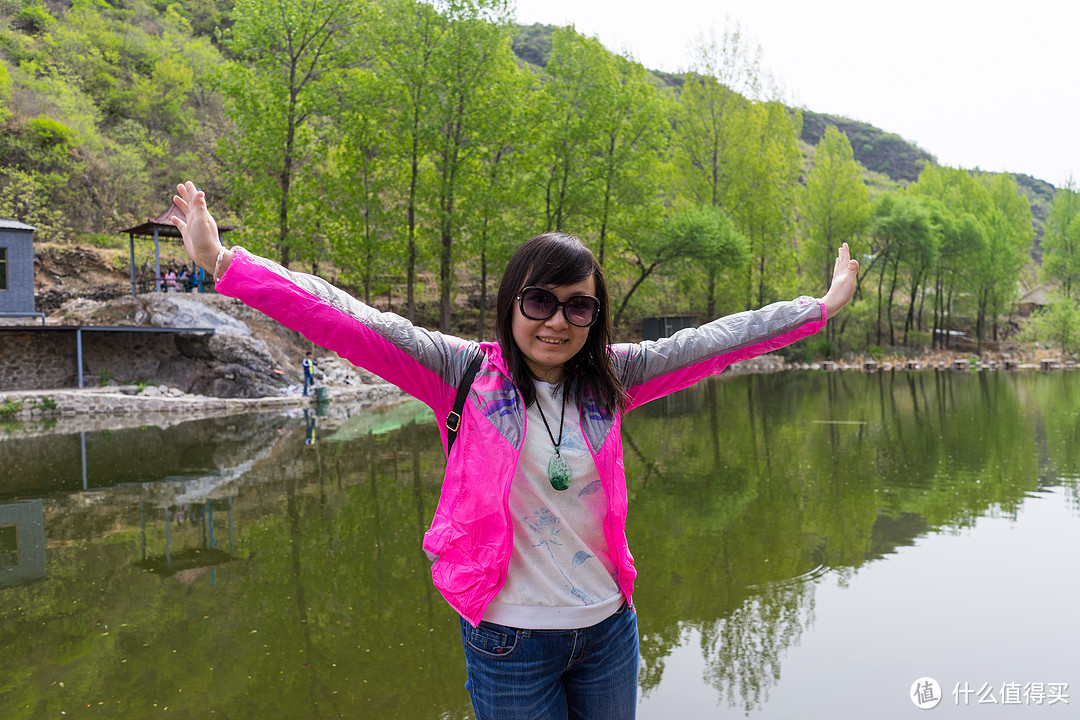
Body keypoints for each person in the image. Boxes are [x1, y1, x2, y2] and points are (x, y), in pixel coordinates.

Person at [170, 180, 858, 719]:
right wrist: (225, 263)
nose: (558, 321)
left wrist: (818, 308)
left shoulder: (616, 379)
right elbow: (348, 317)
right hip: (510, 640)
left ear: (596, 317)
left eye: (579, 307)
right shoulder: (461, 373)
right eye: (540, 301)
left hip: (609, 631)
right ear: (512, 303)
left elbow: (714, 340)